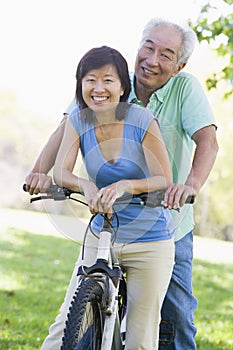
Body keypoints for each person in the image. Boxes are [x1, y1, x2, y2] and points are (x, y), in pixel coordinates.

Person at [25, 18, 218, 349]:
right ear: (138, 47)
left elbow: (208, 142)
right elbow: (65, 128)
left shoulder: (184, 89)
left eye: (166, 54)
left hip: (167, 218)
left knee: (174, 319)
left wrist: (191, 185)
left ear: (179, 65)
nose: (153, 59)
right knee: (77, 322)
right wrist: (38, 172)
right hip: (108, 223)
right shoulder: (110, 81)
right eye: (148, 47)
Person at [54, 44, 175, 349]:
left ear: (123, 87)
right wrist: (87, 186)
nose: (98, 88)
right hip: (101, 235)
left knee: (141, 337)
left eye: (108, 80)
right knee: (64, 327)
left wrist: (125, 186)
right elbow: (60, 172)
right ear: (80, 84)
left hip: (150, 243)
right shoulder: (77, 121)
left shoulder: (142, 119)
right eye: (90, 79)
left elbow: (164, 179)